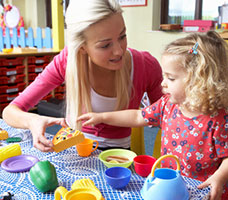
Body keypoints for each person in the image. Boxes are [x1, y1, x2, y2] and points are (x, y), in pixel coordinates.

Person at [78, 31, 228, 200]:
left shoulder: (220, 120)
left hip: (203, 190)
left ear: (198, 81)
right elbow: (137, 117)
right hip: (168, 186)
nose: (162, 83)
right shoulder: (167, 105)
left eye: (170, 78)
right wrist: (102, 117)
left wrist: (220, 176)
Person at [2, 0, 163, 152]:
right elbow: (10, 112)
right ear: (82, 47)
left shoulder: (146, 65)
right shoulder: (67, 61)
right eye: (105, 45)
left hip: (118, 155)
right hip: (72, 148)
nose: (119, 51)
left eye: (122, 36)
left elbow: (168, 116)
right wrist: (32, 120)